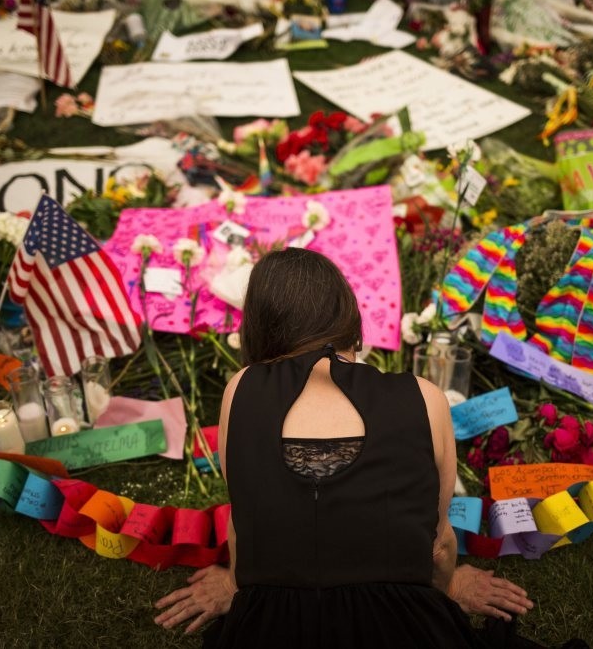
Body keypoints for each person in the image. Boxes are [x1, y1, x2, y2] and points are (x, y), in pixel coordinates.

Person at [154, 248, 538, 647]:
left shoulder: (242, 388)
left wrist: (237, 583)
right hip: (401, 626)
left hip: (274, 626)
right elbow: (438, 545)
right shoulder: (425, 397)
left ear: (260, 325)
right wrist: (448, 587)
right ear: (347, 315)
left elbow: (247, 518)